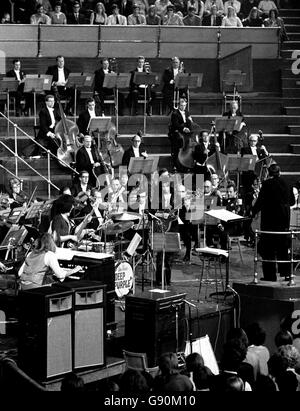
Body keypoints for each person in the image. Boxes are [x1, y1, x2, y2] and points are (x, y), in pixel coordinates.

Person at [252, 164, 295, 281]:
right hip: (283, 223)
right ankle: (286, 274)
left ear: (269, 174)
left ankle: (270, 276)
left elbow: (260, 202)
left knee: (267, 249)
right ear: (279, 172)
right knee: (283, 248)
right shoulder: (288, 183)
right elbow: (291, 202)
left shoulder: (266, 184)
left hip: (269, 223)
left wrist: (252, 212)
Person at [168, 97, 193, 166]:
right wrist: (184, 129)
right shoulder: (175, 113)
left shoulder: (187, 112)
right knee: (179, 141)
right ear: (179, 105)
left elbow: (189, 122)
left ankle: (188, 161)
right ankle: (176, 163)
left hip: (186, 131)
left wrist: (189, 127)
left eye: (185, 105)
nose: (183, 107)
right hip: (177, 131)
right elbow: (176, 124)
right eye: (182, 105)